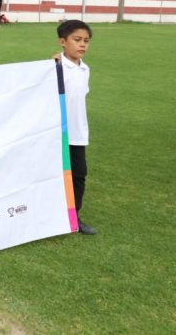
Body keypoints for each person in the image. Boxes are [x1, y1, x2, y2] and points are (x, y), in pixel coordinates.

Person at [54, 20, 96, 235]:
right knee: (53, 175)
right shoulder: (54, 67)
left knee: (79, 175)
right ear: (63, 42)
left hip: (77, 133)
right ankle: (48, 215)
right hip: (55, 133)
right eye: (77, 40)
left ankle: (73, 217)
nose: (82, 45)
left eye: (86, 41)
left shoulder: (85, 69)